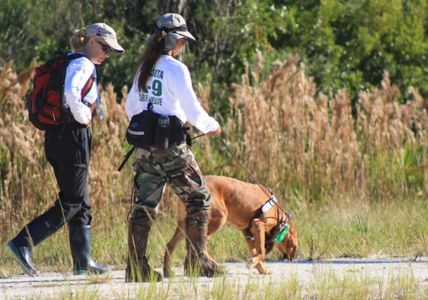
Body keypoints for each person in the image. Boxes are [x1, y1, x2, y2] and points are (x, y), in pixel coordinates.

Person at [7, 23, 124, 276]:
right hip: (72, 137)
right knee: (72, 201)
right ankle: (23, 242)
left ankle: (83, 262)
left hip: (56, 137)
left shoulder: (69, 61)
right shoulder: (84, 64)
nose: (106, 53)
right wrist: (84, 118)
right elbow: (72, 93)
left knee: (80, 200)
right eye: (104, 47)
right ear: (91, 41)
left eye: (110, 50)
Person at [124, 13, 224, 282]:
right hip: (172, 148)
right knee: (199, 199)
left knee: (143, 206)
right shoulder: (176, 68)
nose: (183, 46)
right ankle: (197, 262)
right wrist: (211, 126)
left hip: (144, 149)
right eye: (182, 41)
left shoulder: (144, 65)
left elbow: (131, 107)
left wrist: (151, 127)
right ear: (174, 40)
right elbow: (193, 110)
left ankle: (136, 268)